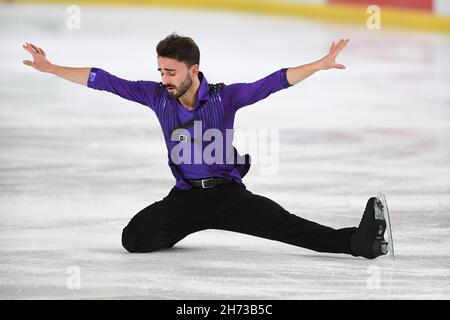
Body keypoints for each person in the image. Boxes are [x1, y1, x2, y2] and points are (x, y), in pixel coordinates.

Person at [22, 33, 389, 259]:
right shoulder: (155, 96)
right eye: (161, 71)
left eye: (171, 72)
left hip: (229, 197)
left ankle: (359, 243)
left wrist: (319, 64)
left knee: (289, 227)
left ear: (193, 70)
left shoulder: (223, 98)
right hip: (184, 200)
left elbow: (272, 83)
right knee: (134, 239)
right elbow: (102, 79)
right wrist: (52, 68)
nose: (164, 78)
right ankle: (182, 228)